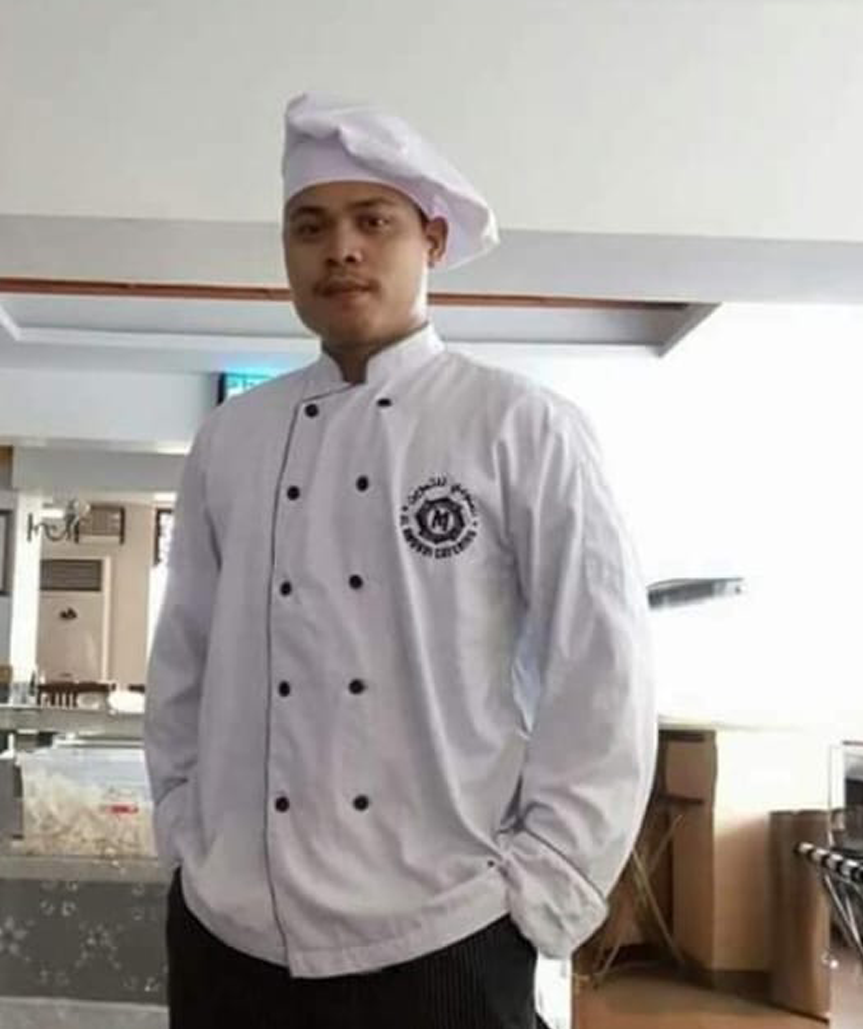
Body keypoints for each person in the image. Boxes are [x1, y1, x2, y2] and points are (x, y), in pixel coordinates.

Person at [145, 92, 656, 1029]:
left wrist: (545, 883)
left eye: (372, 221)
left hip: (442, 931)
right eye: (309, 226)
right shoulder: (232, 437)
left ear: (432, 240)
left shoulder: (519, 425)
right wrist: (183, 831)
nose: (339, 248)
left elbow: (602, 668)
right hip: (229, 931)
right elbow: (185, 655)